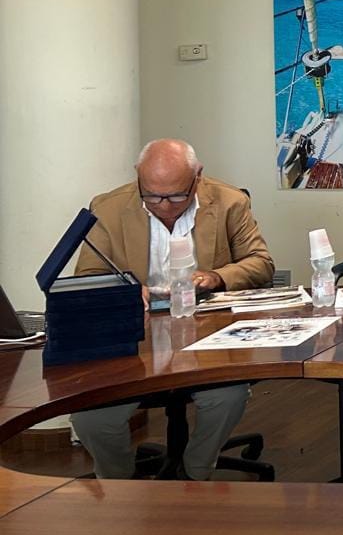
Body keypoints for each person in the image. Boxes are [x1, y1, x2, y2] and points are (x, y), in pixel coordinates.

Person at [70, 138, 274, 479]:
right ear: (138, 176)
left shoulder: (229, 202)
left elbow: (260, 263)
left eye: (177, 196)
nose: (164, 206)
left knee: (228, 396)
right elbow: (88, 277)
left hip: (207, 336)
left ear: (198, 176)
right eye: (152, 196)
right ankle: (118, 483)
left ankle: (195, 470)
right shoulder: (107, 208)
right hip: (137, 341)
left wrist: (217, 277)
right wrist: (126, 291)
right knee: (90, 417)